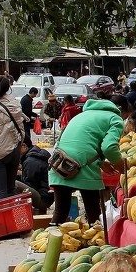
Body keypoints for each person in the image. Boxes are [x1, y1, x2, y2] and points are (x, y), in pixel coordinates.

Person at [48, 96, 124, 226]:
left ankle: (48, 243)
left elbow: (80, 142)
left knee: (60, 214)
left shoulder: (80, 116)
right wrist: (122, 167)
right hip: (83, 167)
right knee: (94, 216)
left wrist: (100, 162)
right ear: (120, 109)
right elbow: (109, 147)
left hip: (59, 164)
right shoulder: (115, 118)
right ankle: (96, 244)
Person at [20, 145, 52, 213]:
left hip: (43, 199)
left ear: (24, 146)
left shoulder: (31, 161)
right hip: (48, 196)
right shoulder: (36, 156)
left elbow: (30, 183)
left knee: (15, 184)